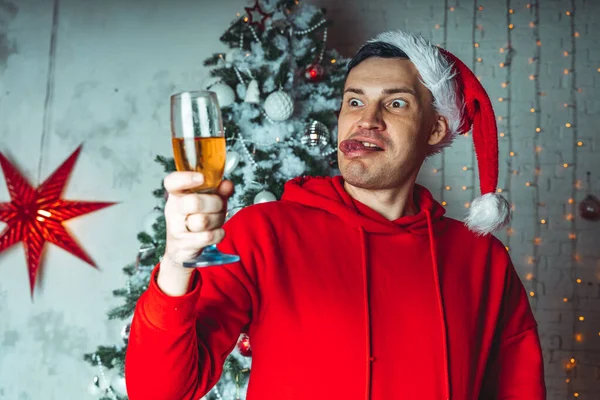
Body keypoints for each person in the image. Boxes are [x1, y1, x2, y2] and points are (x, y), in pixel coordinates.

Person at [125, 30, 546, 399]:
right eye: (354, 101)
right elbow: (160, 391)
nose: (368, 120)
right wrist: (178, 264)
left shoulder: (482, 261)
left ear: (436, 128)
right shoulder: (261, 232)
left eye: (395, 103)